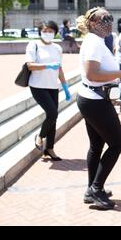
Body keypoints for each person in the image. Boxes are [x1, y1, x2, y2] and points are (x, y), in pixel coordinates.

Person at [75, 7, 121, 210]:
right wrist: (119, 74)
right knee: (117, 143)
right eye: (103, 19)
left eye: (110, 18)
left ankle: (92, 189)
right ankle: (96, 189)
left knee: (96, 146)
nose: (108, 22)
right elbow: (92, 74)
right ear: (92, 23)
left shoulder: (96, 41)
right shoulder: (93, 43)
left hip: (94, 97)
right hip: (94, 100)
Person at [26, 20, 71, 161]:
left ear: (55, 32)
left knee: (54, 117)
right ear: (40, 31)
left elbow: (59, 68)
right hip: (38, 86)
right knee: (52, 113)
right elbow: (30, 66)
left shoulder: (57, 48)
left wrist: (65, 86)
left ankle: (49, 149)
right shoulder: (34, 45)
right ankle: (40, 136)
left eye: (51, 31)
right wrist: (46, 66)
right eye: (45, 31)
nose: (47, 33)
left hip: (53, 86)